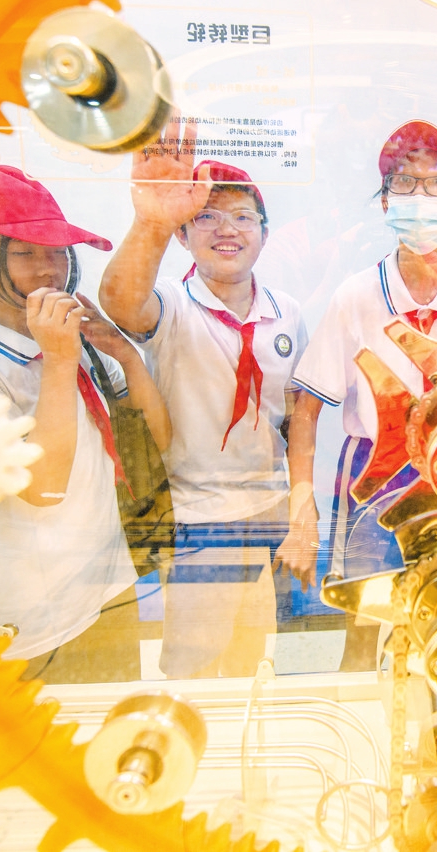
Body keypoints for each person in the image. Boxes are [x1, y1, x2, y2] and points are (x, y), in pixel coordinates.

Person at [288, 120, 437, 671]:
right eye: (406, 184)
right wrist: (300, 502)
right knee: (364, 625)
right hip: (374, 475)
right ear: (385, 203)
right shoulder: (356, 296)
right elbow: (307, 408)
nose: (421, 198)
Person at [99, 125, 308, 678]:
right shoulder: (171, 302)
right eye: (208, 216)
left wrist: (300, 508)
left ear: (264, 232)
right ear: (184, 235)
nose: (227, 229)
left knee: (251, 651)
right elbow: (121, 304)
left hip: (267, 509)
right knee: (193, 659)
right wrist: (150, 222)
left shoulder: (286, 312)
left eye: (243, 216)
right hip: (198, 515)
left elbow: (296, 419)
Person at [0, 162, 171, 683]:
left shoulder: (73, 340)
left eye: (55, 251)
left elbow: (158, 439)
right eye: (24, 253)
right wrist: (58, 358)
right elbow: (43, 487)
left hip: (108, 583)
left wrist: (124, 354)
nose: (48, 269)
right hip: (35, 617)